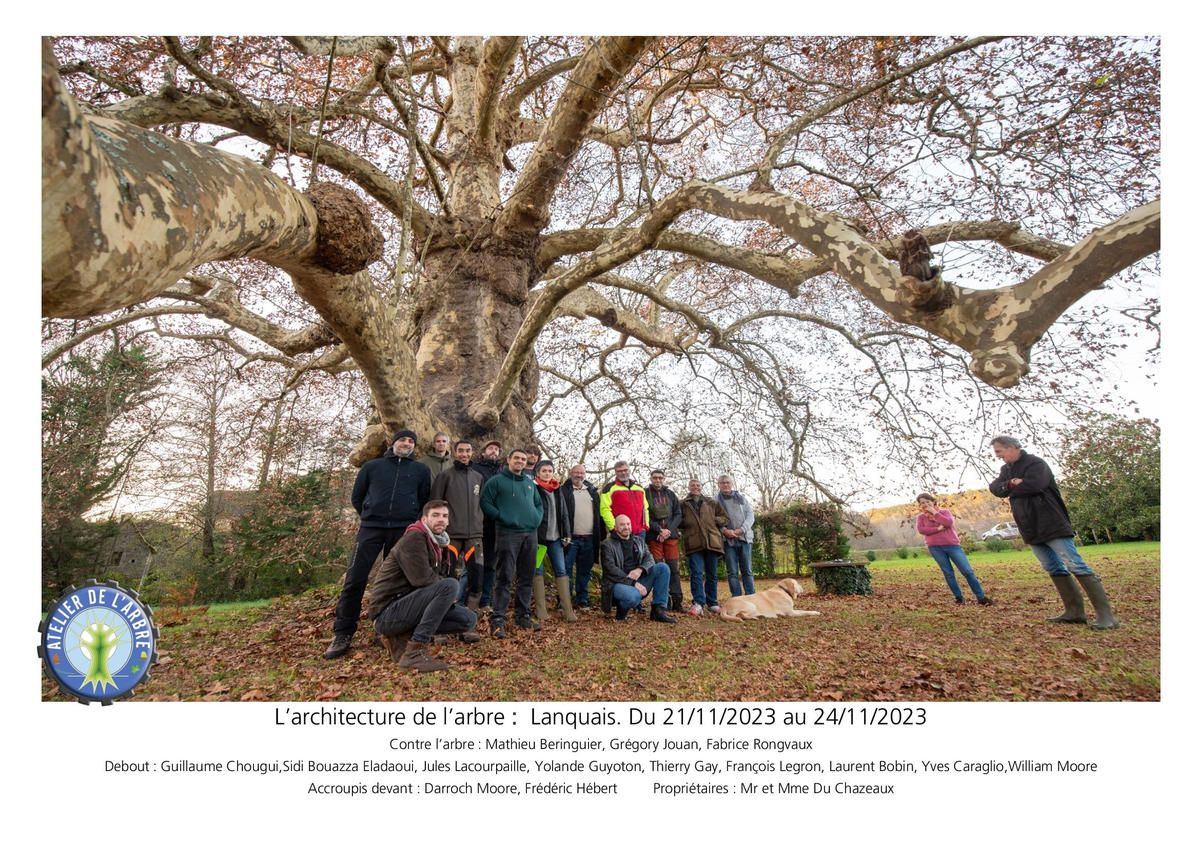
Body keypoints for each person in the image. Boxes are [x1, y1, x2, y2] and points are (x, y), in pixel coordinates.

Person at [989, 435, 1118, 629]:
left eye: (999, 451)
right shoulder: (1006, 470)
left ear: (1012, 447)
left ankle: (1107, 618)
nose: (997, 456)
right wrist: (1011, 484)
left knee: (1076, 565)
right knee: (1053, 568)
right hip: (1029, 526)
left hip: (1051, 523)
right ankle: (1074, 612)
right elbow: (995, 488)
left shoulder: (1036, 463)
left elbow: (1035, 485)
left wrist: (1015, 486)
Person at [325, 429, 431, 659]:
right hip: (371, 528)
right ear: (393, 443)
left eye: (411, 441)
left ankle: (387, 628)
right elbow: (357, 497)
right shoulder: (372, 467)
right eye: (402, 439)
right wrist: (370, 513)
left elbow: (424, 499)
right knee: (355, 579)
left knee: (398, 581)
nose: (406, 443)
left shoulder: (420, 470)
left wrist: (410, 519)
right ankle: (343, 632)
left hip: (402, 529)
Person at [369, 500, 479, 673]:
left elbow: (433, 581)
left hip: (409, 606)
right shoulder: (414, 537)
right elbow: (421, 579)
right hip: (387, 613)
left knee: (467, 619)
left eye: (445, 516)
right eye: (435, 515)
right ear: (425, 518)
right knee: (450, 585)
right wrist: (449, 593)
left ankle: (402, 638)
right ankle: (414, 652)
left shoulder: (438, 543)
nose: (441, 520)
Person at [480, 449, 544, 638]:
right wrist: (501, 517)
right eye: (516, 458)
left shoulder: (529, 483)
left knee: (526, 576)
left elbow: (539, 505)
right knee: (504, 576)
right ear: (508, 460)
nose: (520, 461)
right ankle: (498, 618)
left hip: (530, 534)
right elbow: (485, 502)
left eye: (523, 459)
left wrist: (536, 519)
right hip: (508, 533)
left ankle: (522, 615)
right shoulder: (496, 481)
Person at [430, 440, 485, 609]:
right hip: (450, 536)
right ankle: (441, 619)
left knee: (477, 578)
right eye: (461, 450)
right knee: (446, 577)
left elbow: (481, 504)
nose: (465, 454)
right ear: (455, 452)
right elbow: (434, 504)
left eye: (468, 450)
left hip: (474, 536)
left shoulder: (478, 477)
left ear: (472, 452)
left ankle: (469, 620)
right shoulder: (445, 476)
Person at [914, 493, 993, 605]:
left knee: (967, 571)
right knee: (948, 573)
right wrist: (938, 528)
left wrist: (935, 513)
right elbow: (922, 530)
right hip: (935, 548)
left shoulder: (944, 512)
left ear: (933, 501)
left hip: (952, 546)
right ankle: (959, 598)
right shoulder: (921, 517)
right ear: (920, 505)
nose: (925, 504)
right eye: (922, 503)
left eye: (927, 501)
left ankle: (981, 598)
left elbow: (948, 522)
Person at [600, 514, 676, 624]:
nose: (626, 527)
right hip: (616, 584)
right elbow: (610, 569)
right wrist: (633, 583)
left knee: (662, 568)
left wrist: (640, 569)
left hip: (638, 580)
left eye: (628, 524)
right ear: (615, 527)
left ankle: (658, 610)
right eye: (622, 525)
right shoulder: (607, 544)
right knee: (633, 596)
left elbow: (649, 559)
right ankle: (621, 612)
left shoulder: (638, 541)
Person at [532, 460, 575, 622]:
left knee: (561, 570)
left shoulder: (557, 489)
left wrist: (567, 533)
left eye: (550, 470)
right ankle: (541, 610)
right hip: (538, 539)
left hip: (556, 539)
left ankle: (567, 609)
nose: (547, 473)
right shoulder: (533, 488)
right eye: (544, 470)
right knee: (537, 571)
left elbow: (564, 513)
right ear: (538, 473)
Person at [679, 479, 728, 616]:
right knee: (696, 574)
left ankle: (712, 602)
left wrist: (714, 520)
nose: (695, 487)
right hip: (693, 543)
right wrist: (685, 523)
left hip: (712, 542)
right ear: (689, 487)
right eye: (693, 485)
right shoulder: (683, 504)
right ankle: (698, 603)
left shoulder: (711, 502)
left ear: (701, 487)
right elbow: (677, 520)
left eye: (698, 485)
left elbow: (724, 518)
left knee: (712, 575)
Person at [562, 464, 603, 609]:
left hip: (589, 539)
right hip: (570, 539)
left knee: (584, 571)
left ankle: (582, 599)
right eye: (576, 472)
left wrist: (601, 536)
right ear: (570, 473)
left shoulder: (592, 491)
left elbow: (599, 515)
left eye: (581, 473)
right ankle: (564, 600)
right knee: (565, 570)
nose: (579, 475)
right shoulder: (563, 490)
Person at [471, 440, 504, 610]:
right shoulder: (475, 469)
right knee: (474, 563)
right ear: (483, 452)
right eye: (490, 448)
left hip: (495, 525)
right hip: (477, 524)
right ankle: (469, 599)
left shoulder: (502, 471)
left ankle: (485, 600)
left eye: (497, 449)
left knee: (491, 564)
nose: (494, 451)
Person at [646, 469, 684, 612]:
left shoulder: (670, 494)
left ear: (664, 479)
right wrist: (658, 530)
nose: (658, 480)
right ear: (651, 478)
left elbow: (678, 514)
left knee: (674, 568)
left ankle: (677, 601)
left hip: (671, 538)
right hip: (654, 537)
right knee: (659, 569)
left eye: (660, 478)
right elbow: (645, 515)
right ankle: (662, 601)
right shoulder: (645, 494)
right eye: (655, 478)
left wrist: (668, 531)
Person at [716, 474, 756, 597]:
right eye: (722, 483)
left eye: (727, 482)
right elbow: (713, 519)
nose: (725, 485)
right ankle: (737, 597)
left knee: (747, 571)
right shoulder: (715, 501)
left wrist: (741, 530)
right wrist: (725, 531)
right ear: (719, 485)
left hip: (744, 538)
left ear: (731, 484)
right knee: (732, 572)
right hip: (727, 541)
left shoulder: (741, 498)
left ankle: (751, 597)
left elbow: (750, 516)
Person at [600, 460, 650, 539]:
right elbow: (604, 510)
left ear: (629, 470)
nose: (623, 473)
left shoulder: (639, 488)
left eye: (625, 470)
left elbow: (645, 508)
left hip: (640, 532)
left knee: (641, 552)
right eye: (620, 471)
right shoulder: (609, 488)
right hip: (621, 533)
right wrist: (613, 527)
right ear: (615, 472)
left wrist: (646, 525)